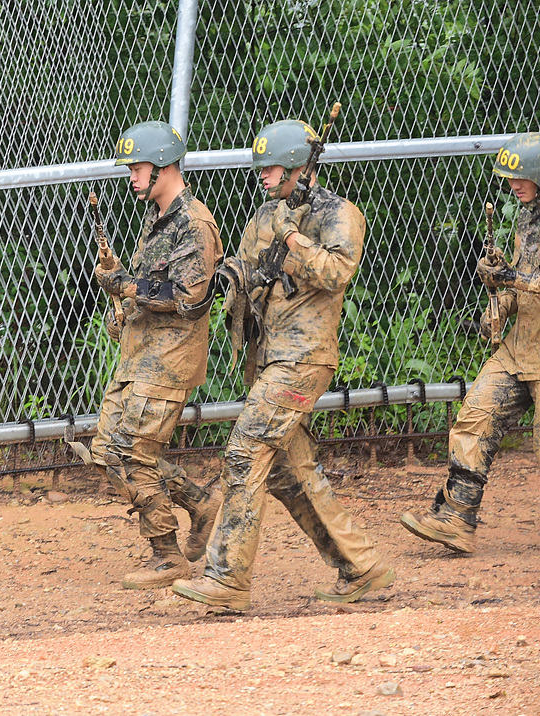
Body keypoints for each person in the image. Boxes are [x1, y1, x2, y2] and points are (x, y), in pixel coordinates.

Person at [171, 118, 395, 611]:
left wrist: (292, 242)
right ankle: (359, 564)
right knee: (289, 474)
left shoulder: (340, 215)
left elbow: (337, 274)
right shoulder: (266, 215)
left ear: (299, 167)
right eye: (261, 168)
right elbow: (249, 269)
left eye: (271, 168)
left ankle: (227, 578)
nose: (263, 176)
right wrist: (226, 279)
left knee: (245, 452)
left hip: (303, 358)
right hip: (268, 360)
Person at [73, 120, 224, 590]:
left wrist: (125, 285)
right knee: (105, 453)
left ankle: (167, 557)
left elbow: (189, 295)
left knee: (136, 455)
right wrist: (122, 298)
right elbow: (145, 291)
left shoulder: (194, 224)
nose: (132, 177)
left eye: (137, 168)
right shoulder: (155, 218)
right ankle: (198, 500)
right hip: (137, 358)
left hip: (168, 361)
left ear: (163, 164)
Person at [401, 131, 540, 553]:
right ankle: (456, 518)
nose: (513, 186)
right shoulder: (525, 217)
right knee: (473, 422)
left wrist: (511, 279)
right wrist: (498, 303)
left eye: (520, 177)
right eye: (508, 178)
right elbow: (523, 284)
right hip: (519, 348)